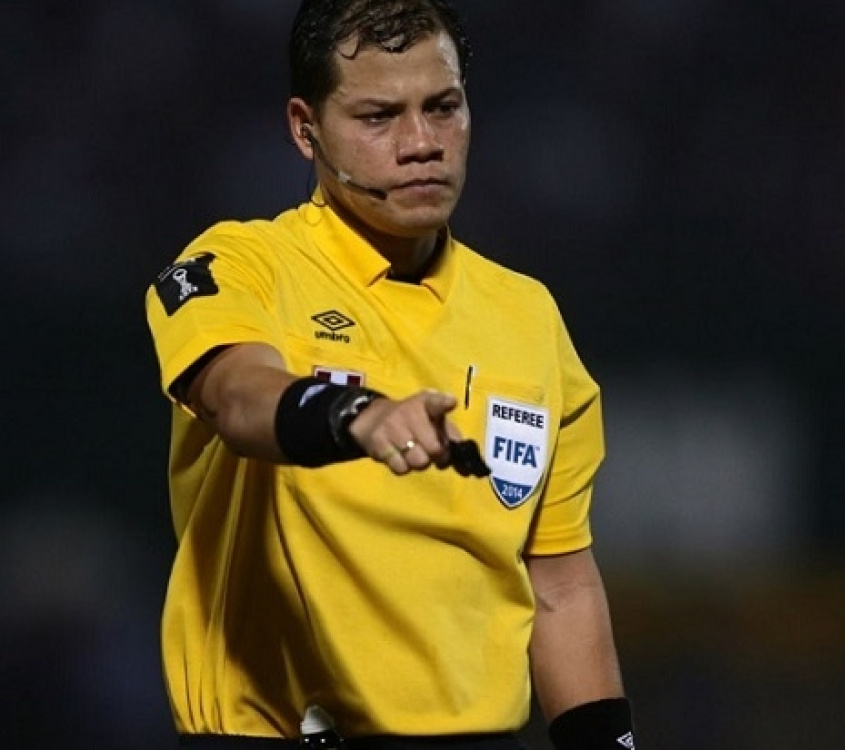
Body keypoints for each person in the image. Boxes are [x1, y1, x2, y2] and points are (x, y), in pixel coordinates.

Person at [145, 1, 635, 748]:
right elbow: (237, 398)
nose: (421, 144)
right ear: (305, 128)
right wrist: (353, 415)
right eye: (378, 116)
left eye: (443, 107)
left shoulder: (528, 316)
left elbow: (560, 584)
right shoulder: (243, 267)